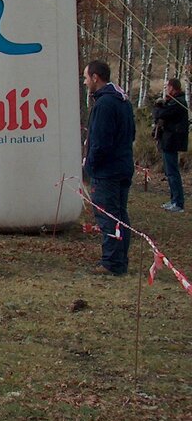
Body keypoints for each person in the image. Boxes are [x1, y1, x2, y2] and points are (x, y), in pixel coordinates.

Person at [83, 60, 136, 276]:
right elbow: (131, 134)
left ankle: (111, 263)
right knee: (120, 215)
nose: (85, 83)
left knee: (108, 217)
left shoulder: (105, 104)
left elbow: (100, 142)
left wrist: (91, 166)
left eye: (86, 78)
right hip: (123, 166)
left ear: (96, 77)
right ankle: (119, 261)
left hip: (108, 170)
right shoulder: (123, 102)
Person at [153, 78, 188, 213]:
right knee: (170, 172)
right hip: (169, 140)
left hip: (172, 141)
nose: (166, 89)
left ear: (173, 88)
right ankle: (174, 200)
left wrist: (158, 106)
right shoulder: (173, 101)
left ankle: (178, 203)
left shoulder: (177, 102)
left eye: (167, 86)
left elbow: (161, 114)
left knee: (173, 173)